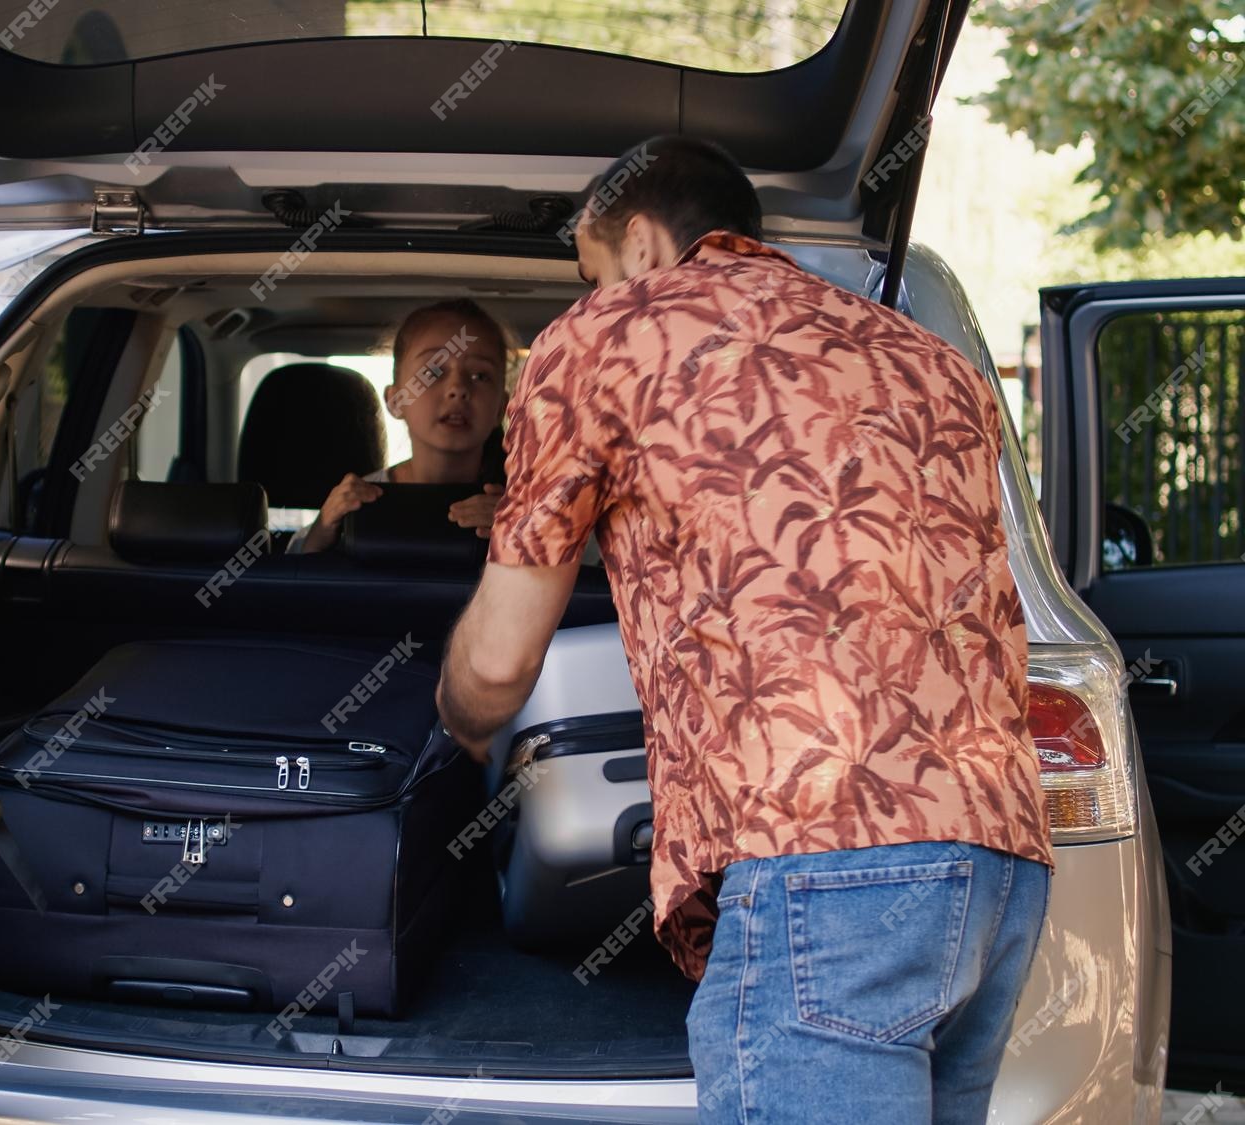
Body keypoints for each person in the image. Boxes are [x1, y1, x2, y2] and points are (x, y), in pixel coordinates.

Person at [435, 136, 1054, 1123]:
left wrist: (458, 720)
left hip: (829, 856)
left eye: (590, 269)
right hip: (997, 861)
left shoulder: (607, 335)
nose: (591, 291)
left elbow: (503, 659)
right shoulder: (929, 360)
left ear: (635, 245)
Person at [291, 299, 511, 553]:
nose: (457, 389)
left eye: (480, 376)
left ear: (501, 408)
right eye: (432, 373)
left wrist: (526, 536)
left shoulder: (523, 507)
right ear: (396, 401)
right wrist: (323, 529)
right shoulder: (358, 501)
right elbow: (292, 586)